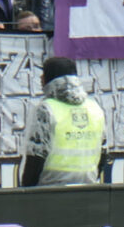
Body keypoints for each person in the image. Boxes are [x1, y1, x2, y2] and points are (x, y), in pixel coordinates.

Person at [20, 56, 108, 187]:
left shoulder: (46, 109)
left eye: (43, 74)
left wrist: (26, 192)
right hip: (87, 189)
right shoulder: (94, 108)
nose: (40, 78)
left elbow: (36, 157)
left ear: (49, 79)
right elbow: (103, 154)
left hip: (50, 191)